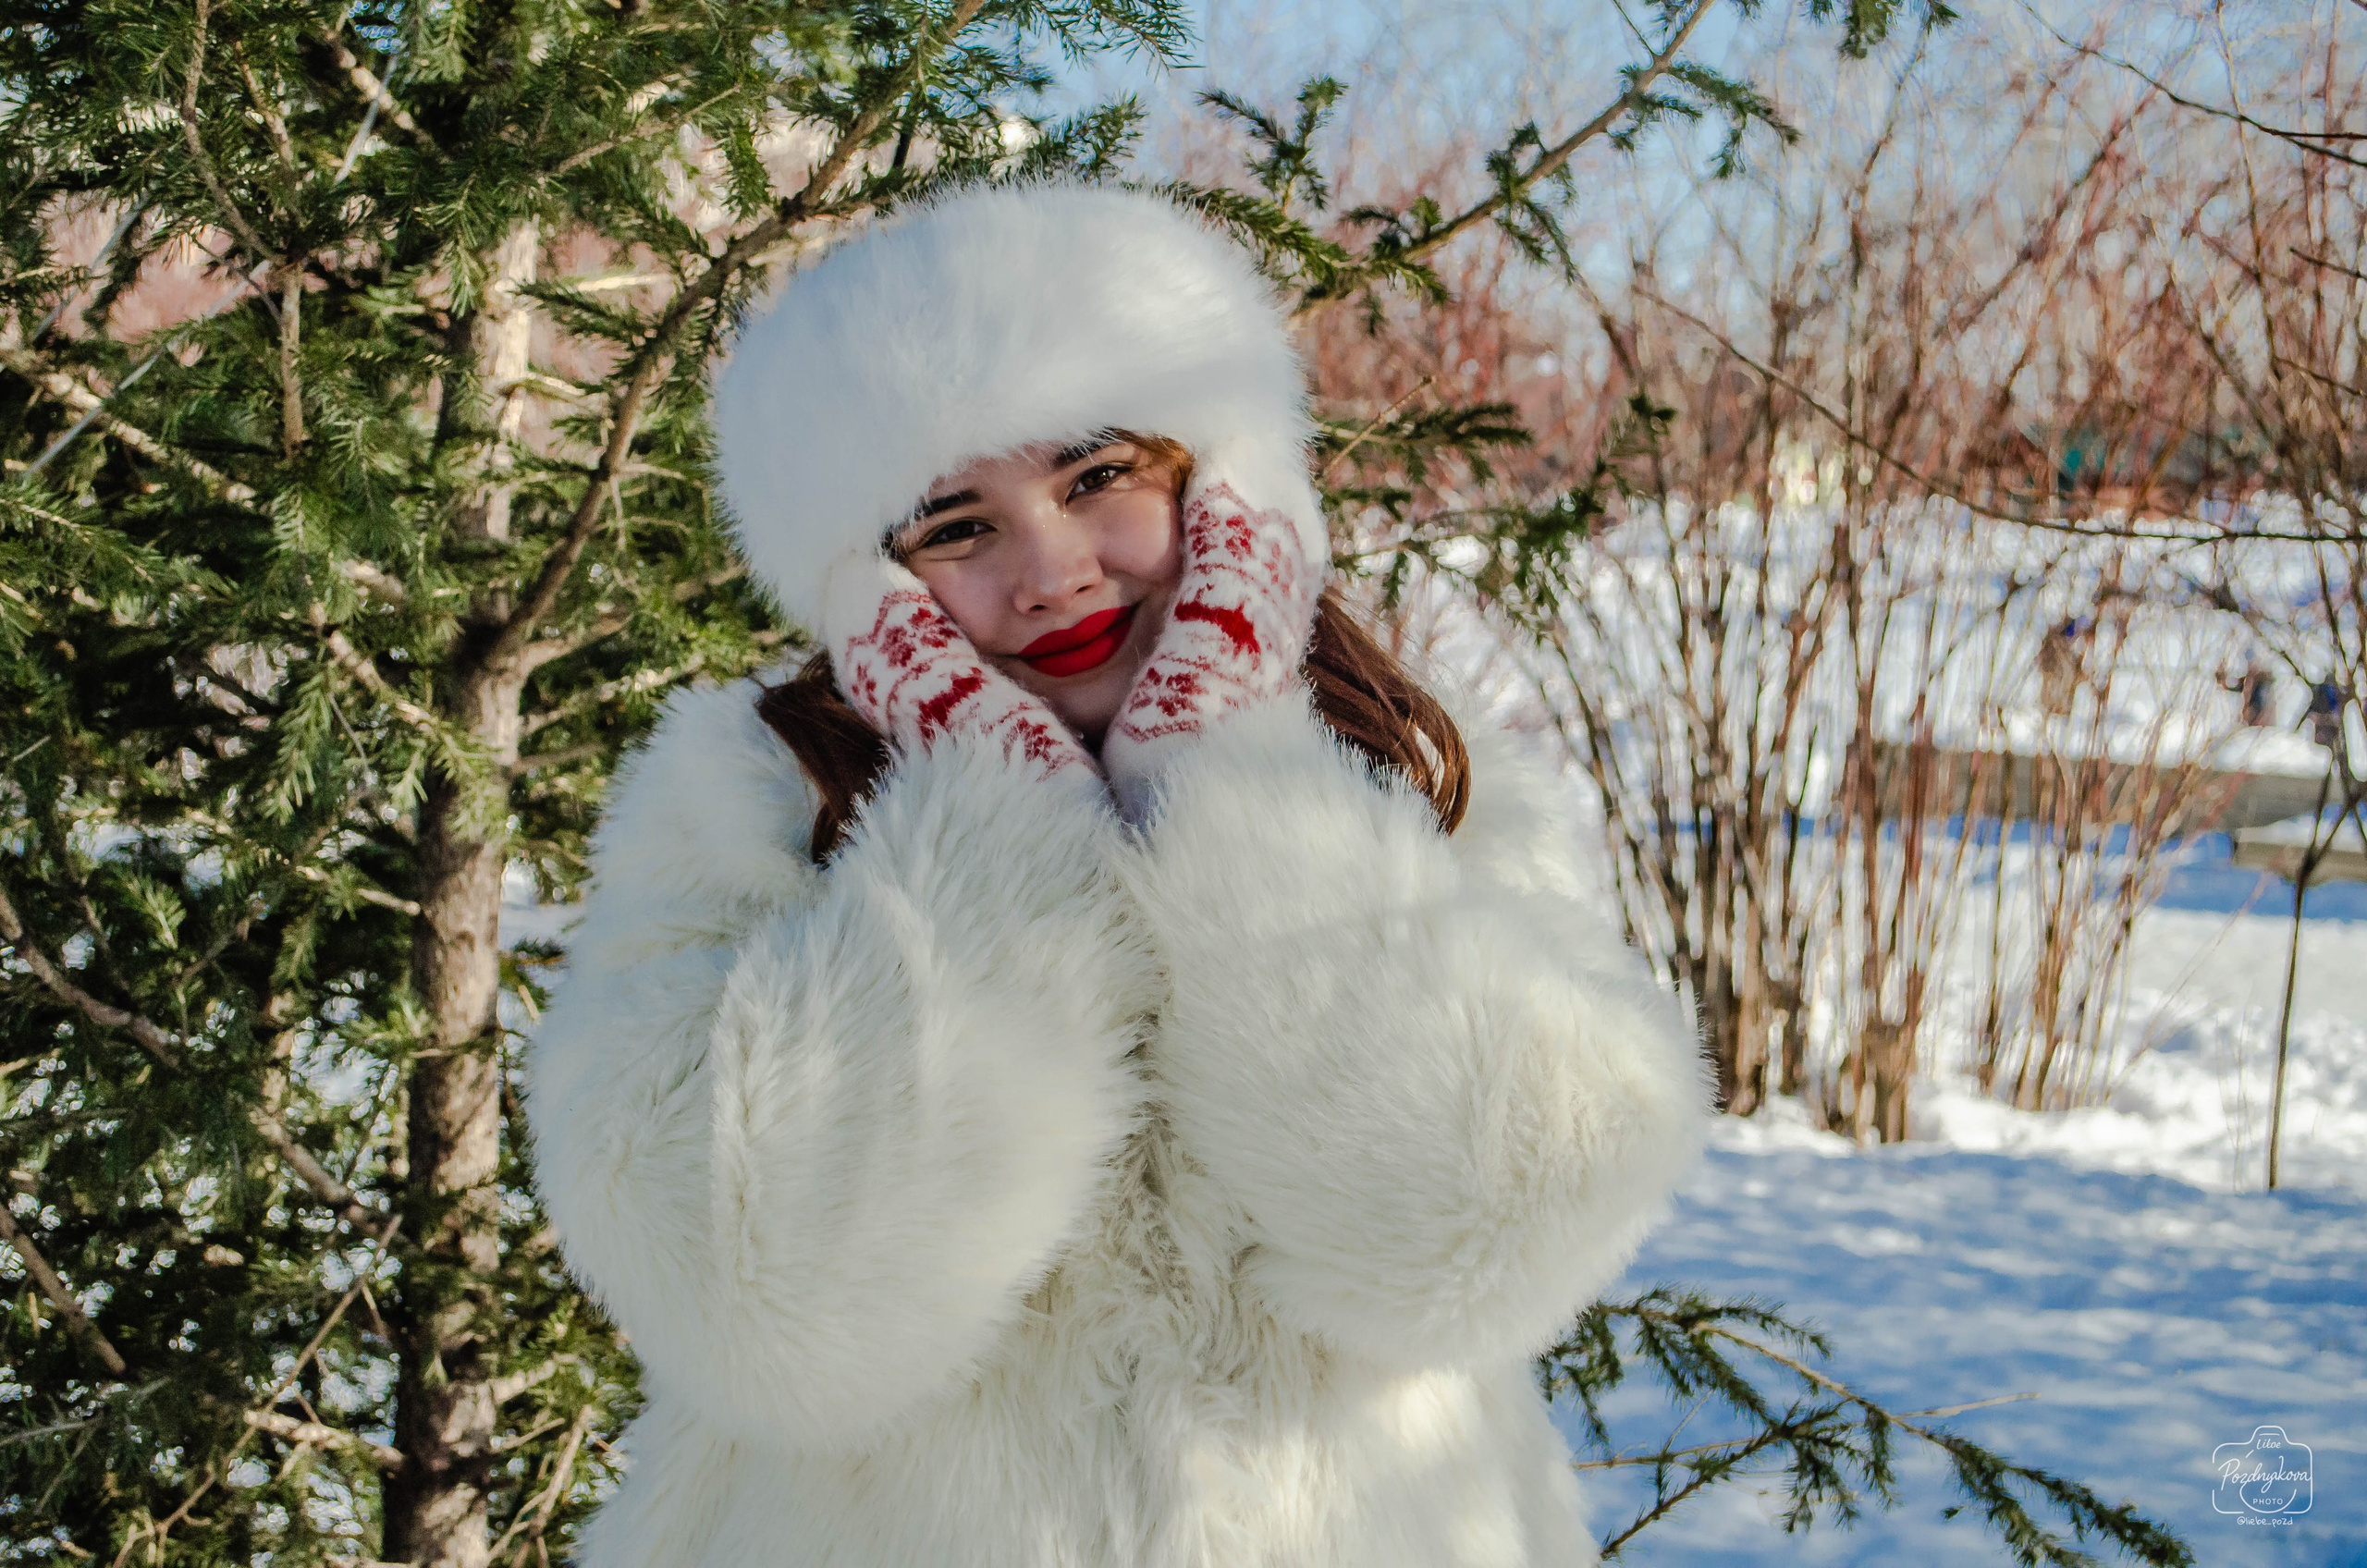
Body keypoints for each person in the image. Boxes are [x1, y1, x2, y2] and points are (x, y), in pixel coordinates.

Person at [526, 182, 1708, 1568]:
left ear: (1219, 480)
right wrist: (989, 825)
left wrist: (1235, 783)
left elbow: (1492, 1234)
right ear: (868, 580)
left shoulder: (1401, 763)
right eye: (957, 525)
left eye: (1097, 478)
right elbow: (757, 1301)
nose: (1053, 573)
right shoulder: (746, 801)